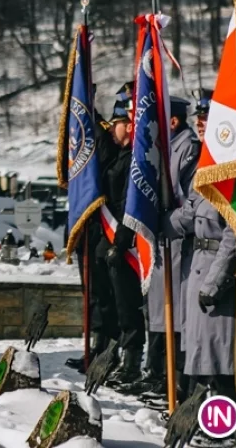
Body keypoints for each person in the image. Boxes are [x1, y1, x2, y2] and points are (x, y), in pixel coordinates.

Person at [163, 92, 236, 446]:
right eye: (200, 117)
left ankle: (231, 435)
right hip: (196, 269)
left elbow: (235, 233)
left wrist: (215, 282)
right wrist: (147, 223)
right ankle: (213, 428)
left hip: (219, 276)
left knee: (222, 367)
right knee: (202, 362)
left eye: (208, 117)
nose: (200, 122)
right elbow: (188, 215)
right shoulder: (206, 165)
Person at [130, 96, 199, 399]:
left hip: (178, 244)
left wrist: (165, 223)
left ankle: (174, 381)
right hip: (162, 243)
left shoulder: (189, 149)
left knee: (176, 316)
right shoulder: (167, 149)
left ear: (174, 121)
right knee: (158, 312)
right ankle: (158, 373)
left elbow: (191, 203)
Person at [66, 82, 125, 373]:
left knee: (103, 295)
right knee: (91, 291)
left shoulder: (99, 135)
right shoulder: (82, 132)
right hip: (85, 228)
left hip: (102, 229)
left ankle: (103, 350)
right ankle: (95, 348)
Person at [98, 85, 146, 386]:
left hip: (126, 240)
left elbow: (131, 202)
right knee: (114, 301)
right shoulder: (121, 155)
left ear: (129, 125)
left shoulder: (133, 159)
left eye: (116, 123)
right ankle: (117, 354)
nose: (112, 129)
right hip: (113, 237)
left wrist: (121, 240)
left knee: (129, 304)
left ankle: (131, 360)